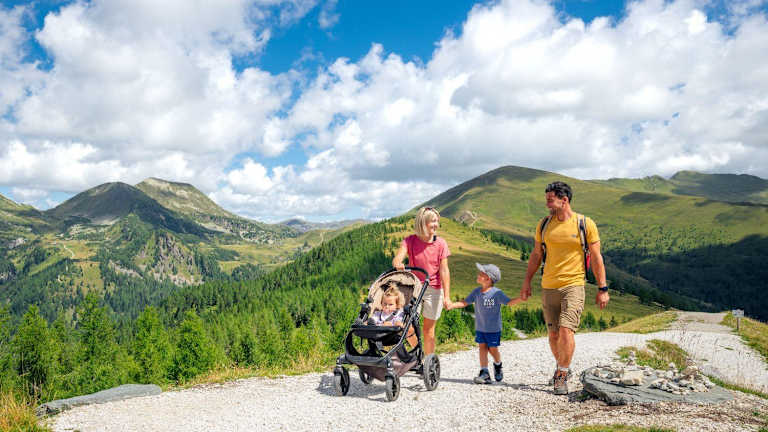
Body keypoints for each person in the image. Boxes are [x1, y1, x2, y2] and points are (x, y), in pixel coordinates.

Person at [521, 181, 609, 395]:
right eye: (547, 200)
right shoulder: (544, 224)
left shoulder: (585, 224)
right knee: (553, 335)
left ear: (564, 200)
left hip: (574, 284)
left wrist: (603, 288)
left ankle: (561, 375)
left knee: (565, 330)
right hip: (549, 286)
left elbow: (596, 257)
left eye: (550, 200)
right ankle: (563, 366)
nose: (547, 204)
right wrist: (527, 281)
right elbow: (536, 255)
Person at [448, 263, 522, 384]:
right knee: (482, 347)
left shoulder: (497, 293)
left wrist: (521, 298)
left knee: (493, 349)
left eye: (481, 274)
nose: (478, 275)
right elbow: (465, 302)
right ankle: (484, 372)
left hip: (493, 329)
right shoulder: (476, 292)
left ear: (488, 278)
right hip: (480, 327)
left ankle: (498, 364)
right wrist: (452, 305)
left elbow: (508, 302)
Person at [392, 207, 452, 357]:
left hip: (434, 289)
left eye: (437, 221)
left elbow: (444, 270)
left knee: (428, 330)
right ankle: (419, 355)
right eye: (432, 221)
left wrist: (447, 296)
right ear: (422, 223)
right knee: (407, 326)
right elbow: (398, 258)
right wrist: (398, 263)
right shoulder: (410, 240)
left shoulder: (441, 244)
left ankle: (428, 361)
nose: (436, 224)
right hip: (415, 288)